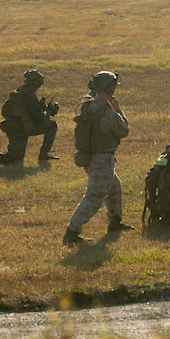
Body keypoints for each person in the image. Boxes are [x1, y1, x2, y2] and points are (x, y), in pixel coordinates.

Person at [62, 71, 132, 246]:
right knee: (94, 197)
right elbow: (123, 130)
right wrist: (118, 109)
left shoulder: (87, 104)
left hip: (90, 157)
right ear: (110, 87)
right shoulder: (107, 112)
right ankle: (71, 232)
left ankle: (115, 222)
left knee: (114, 187)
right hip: (102, 160)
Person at [0, 69, 59, 165]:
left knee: (15, 159)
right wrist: (48, 111)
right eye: (39, 83)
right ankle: (43, 154)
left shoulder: (18, 91)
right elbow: (39, 118)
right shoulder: (30, 96)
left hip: (11, 126)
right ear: (34, 83)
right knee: (52, 125)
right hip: (24, 127)